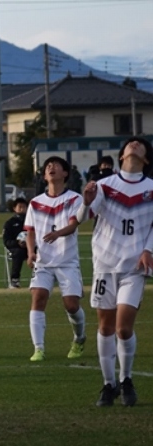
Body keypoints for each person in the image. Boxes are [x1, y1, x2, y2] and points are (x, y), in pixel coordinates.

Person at [76, 137, 153, 407]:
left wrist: (149, 250)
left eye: (139, 145)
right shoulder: (104, 186)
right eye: (130, 144)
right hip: (104, 266)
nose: (134, 145)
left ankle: (127, 378)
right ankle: (108, 385)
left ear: (146, 158)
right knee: (105, 327)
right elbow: (83, 217)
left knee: (123, 327)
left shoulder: (151, 188)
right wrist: (86, 202)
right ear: (121, 156)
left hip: (134, 268)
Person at [24, 156, 86, 362]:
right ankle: (38, 349)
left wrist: (58, 233)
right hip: (43, 261)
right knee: (38, 297)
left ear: (65, 173)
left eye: (55, 165)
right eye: (47, 167)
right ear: (44, 176)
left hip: (66, 261)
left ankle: (79, 338)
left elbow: (73, 224)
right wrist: (31, 252)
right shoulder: (35, 202)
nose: (51, 168)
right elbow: (30, 230)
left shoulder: (75, 199)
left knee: (71, 305)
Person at [2, 197, 28, 289]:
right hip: (16, 248)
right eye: (20, 207)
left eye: (24, 207)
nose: (22, 209)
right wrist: (17, 243)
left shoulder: (31, 221)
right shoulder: (9, 223)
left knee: (43, 251)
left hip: (31, 247)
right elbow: (6, 241)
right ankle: (15, 280)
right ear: (14, 208)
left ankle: (42, 278)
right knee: (19, 253)